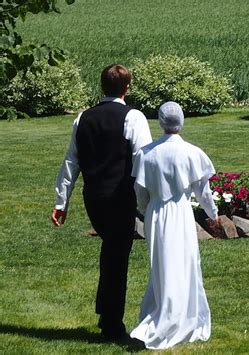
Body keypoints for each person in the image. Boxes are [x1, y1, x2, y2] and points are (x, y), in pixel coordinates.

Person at [51, 64, 152, 340]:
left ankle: (107, 315)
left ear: (102, 86)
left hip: (93, 198)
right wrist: (145, 203)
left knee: (112, 253)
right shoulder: (134, 117)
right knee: (116, 257)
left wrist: (62, 202)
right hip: (121, 197)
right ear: (127, 88)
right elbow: (143, 159)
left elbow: (72, 160)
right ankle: (111, 323)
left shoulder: (83, 118)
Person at [130, 101, 219, 350]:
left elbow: (140, 192)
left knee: (161, 264)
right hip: (180, 212)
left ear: (160, 122)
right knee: (184, 262)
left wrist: (147, 211)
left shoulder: (147, 153)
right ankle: (176, 314)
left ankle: (165, 311)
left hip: (157, 213)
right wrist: (213, 213)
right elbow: (203, 192)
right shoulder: (192, 152)